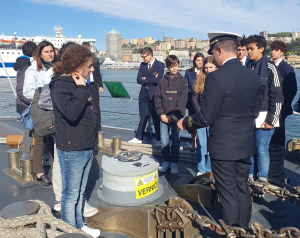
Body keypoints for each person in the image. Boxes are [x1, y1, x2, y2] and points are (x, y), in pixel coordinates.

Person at [177, 32, 262, 229]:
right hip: (246, 144)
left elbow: (206, 117)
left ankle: (232, 231)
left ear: (220, 49)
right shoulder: (253, 77)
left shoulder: (216, 78)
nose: (213, 57)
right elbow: (256, 112)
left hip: (224, 147)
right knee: (242, 188)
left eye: (214, 52)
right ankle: (243, 229)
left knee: (228, 193)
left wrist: (186, 122)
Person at [49, 44, 100, 238]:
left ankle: (79, 225)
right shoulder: (61, 85)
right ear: (77, 66)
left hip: (85, 145)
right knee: (70, 195)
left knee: (80, 192)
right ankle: (70, 232)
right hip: (73, 148)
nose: (92, 69)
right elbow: (71, 112)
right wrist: (81, 89)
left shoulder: (78, 84)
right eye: (89, 65)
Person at [246, 35, 284, 186]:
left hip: (264, 118)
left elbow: (277, 97)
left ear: (261, 49)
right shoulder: (247, 67)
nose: (249, 52)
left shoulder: (270, 68)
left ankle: (262, 181)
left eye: (251, 48)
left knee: (261, 149)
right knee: (249, 149)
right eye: (247, 49)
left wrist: (271, 120)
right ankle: (249, 177)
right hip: (248, 117)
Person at [23, 40, 56, 188]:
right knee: (40, 140)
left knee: (55, 139)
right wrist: (42, 94)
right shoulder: (33, 70)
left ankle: (56, 169)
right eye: (46, 52)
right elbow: (26, 92)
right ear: (40, 54)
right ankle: (39, 173)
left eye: (51, 51)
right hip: (40, 110)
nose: (50, 54)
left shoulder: (56, 67)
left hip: (55, 108)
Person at [155, 55, 188, 174]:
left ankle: (174, 162)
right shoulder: (162, 81)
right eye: (171, 66)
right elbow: (157, 98)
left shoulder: (183, 81)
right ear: (168, 67)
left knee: (175, 140)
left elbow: (182, 101)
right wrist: (161, 114)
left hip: (176, 117)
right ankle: (166, 161)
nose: (174, 68)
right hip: (163, 116)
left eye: (176, 66)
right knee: (164, 141)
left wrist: (173, 115)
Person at [128, 47, 164, 145]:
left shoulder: (160, 65)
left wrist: (145, 79)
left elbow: (158, 80)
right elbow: (139, 80)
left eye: (144, 57)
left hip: (155, 95)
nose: (143, 59)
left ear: (150, 55)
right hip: (143, 95)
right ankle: (139, 138)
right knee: (143, 117)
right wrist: (151, 78)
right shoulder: (142, 65)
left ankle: (159, 139)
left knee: (156, 118)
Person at [192, 56, 218, 176]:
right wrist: (200, 113)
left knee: (213, 145)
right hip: (201, 118)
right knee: (201, 144)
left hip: (215, 119)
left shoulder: (220, 80)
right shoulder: (199, 80)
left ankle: (209, 169)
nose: (208, 70)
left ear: (216, 67)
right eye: (206, 67)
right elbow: (194, 98)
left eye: (210, 67)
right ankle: (201, 169)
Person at [270, 40, 297, 147]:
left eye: (276, 50)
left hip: (281, 108)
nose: (273, 52)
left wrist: (283, 104)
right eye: (272, 49)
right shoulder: (268, 66)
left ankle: (278, 157)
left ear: (282, 52)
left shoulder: (286, 68)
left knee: (278, 134)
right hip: (270, 106)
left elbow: (292, 90)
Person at [13, 41, 36, 158]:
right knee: (28, 132)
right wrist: (33, 102)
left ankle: (27, 156)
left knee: (29, 131)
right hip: (27, 104)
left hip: (22, 103)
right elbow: (21, 90)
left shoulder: (22, 64)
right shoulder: (27, 66)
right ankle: (25, 157)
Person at [184, 53, 205, 149]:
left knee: (201, 124)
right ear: (194, 61)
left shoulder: (206, 72)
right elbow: (186, 86)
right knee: (192, 124)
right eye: (198, 60)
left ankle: (201, 144)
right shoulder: (189, 72)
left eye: (201, 60)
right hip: (191, 102)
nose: (200, 62)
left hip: (203, 103)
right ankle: (194, 143)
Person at [82, 41, 104, 131]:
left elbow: (98, 74)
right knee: (84, 105)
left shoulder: (95, 60)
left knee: (96, 106)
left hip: (93, 85)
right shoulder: (80, 60)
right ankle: (86, 125)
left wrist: (100, 85)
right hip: (83, 85)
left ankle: (98, 126)